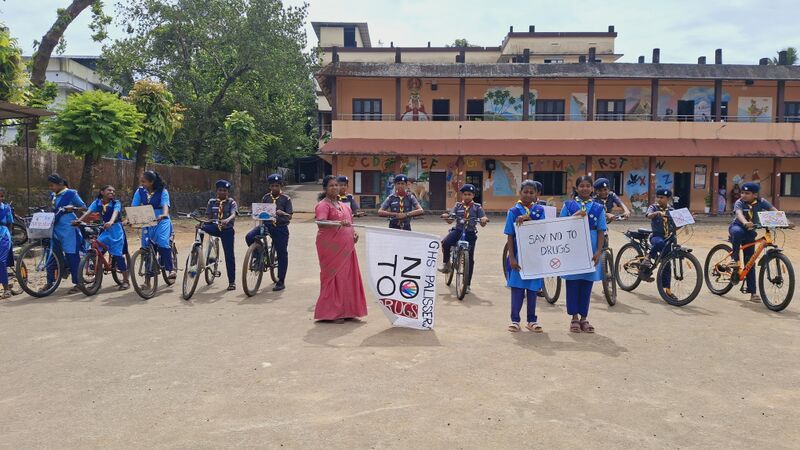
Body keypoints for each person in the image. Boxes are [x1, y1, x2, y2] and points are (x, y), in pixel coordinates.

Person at [313, 175, 367, 323]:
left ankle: (348, 310)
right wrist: (337, 223)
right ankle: (333, 312)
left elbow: (350, 222)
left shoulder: (344, 205)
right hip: (330, 247)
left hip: (347, 248)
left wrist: (353, 233)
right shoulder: (323, 205)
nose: (335, 188)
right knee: (334, 277)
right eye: (331, 185)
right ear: (325, 188)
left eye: (337, 185)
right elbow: (321, 222)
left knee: (348, 278)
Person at [728, 182, 790, 302]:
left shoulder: (762, 201)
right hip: (738, 227)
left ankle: (753, 293)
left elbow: (774, 210)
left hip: (751, 232)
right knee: (738, 232)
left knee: (750, 262)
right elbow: (739, 213)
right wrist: (745, 222)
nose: (743, 195)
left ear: (755, 195)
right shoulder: (740, 202)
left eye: (747, 193)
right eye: (742, 192)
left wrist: (785, 221)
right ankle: (734, 259)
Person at [560, 176, 606, 333]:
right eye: (582, 186)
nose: (585, 188)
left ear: (592, 189)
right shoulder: (568, 205)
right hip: (572, 249)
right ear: (577, 188)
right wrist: (575, 216)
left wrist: (598, 251)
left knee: (587, 284)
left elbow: (601, 231)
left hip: (591, 250)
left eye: (588, 186)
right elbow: (560, 226)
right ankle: (574, 317)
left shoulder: (599, 208)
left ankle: (584, 317)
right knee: (572, 283)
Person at [504, 180, 546, 332]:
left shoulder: (540, 211)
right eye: (525, 192)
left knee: (533, 289)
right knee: (517, 288)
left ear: (536, 195)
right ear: (520, 193)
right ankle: (515, 320)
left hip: (534, 256)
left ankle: (532, 320)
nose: (528, 195)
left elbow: (543, 230)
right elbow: (509, 235)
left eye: (531, 192)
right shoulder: (513, 211)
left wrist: (530, 220)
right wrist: (512, 258)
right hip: (518, 254)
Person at [74, 185, 130, 290]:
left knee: (118, 255)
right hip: (105, 229)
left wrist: (111, 221)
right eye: (109, 190)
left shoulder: (116, 203)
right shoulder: (97, 203)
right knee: (96, 251)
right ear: (102, 192)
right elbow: (88, 212)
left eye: (113, 191)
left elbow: (115, 213)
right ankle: (97, 282)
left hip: (116, 230)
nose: (112, 192)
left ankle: (126, 280)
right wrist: (79, 220)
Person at [438, 184, 489, 294]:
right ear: (462, 195)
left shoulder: (477, 207)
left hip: (470, 233)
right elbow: (451, 220)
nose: (467, 197)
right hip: (458, 231)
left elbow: (483, 219)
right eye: (465, 194)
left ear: (473, 195)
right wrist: (447, 217)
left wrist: (484, 219)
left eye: (469, 194)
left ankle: (468, 284)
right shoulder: (457, 206)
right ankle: (446, 264)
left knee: (470, 259)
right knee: (445, 242)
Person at [246, 174, 292, 291]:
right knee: (250, 236)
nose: (274, 188)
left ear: (280, 186)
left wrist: (283, 213)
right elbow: (261, 211)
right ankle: (258, 254)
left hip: (280, 228)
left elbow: (290, 216)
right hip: (266, 226)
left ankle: (281, 281)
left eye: (277, 186)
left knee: (282, 253)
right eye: (272, 186)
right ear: (269, 186)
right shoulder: (266, 197)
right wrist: (254, 211)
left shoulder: (286, 199)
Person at [131, 170, 175, 280]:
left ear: (151, 182)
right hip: (146, 219)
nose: (141, 184)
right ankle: (147, 281)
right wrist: (128, 219)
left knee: (162, 242)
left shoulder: (163, 191)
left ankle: (171, 269)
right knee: (146, 247)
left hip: (161, 219)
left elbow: (165, 205)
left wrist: (164, 214)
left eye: (144, 181)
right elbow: (134, 206)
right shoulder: (140, 191)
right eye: (141, 181)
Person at [47, 174, 87, 294]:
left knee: (72, 255)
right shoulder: (53, 195)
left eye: (52, 185)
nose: (50, 187)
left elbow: (84, 207)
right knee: (51, 254)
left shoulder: (71, 193)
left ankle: (78, 283)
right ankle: (50, 282)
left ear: (60, 184)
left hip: (69, 228)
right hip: (55, 227)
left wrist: (73, 208)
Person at [203, 180, 238, 291]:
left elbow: (233, 213)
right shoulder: (212, 202)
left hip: (226, 230)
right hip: (214, 227)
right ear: (216, 191)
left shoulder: (231, 202)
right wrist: (204, 223)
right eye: (220, 190)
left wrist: (227, 220)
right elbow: (208, 217)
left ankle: (232, 282)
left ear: (227, 192)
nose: (222, 192)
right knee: (200, 227)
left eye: (224, 190)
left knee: (229, 255)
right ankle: (196, 253)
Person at [644, 189, 676, 295]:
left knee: (667, 264)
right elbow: (648, 215)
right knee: (660, 243)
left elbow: (675, 226)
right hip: (656, 236)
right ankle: (648, 257)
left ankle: (667, 289)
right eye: (658, 197)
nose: (659, 199)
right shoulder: (653, 207)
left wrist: (687, 220)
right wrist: (656, 213)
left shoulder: (671, 210)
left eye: (662, 197)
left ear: (668, 199)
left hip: (668, 238)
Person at [0, 187, 14, 298]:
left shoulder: (6, 208)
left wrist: (10, 237)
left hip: (3, 235)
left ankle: (6, 289)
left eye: (1, 196)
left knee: (1, 261)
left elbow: (10, 224)